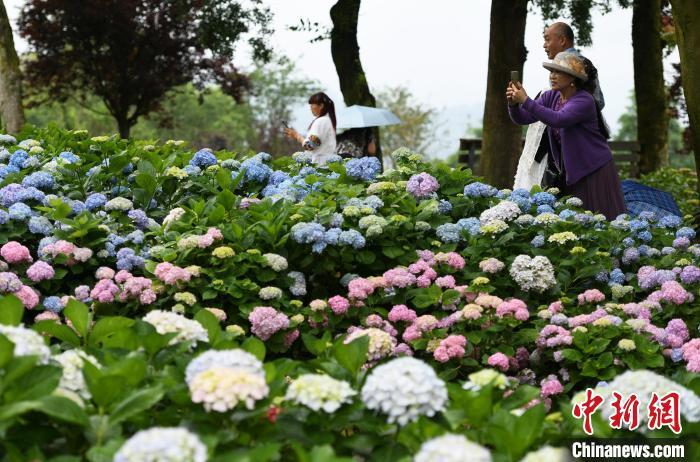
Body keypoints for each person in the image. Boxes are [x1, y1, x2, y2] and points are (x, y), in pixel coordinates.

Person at [506, 51, 625, 220]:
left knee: (601, 218)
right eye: (551, 72)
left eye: (558, 72)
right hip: (573, 171)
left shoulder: (584, 100)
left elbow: (559, 119)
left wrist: (525, 100)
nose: (552, 76)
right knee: (578, 220)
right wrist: (514, 105)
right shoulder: (551, 96)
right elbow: (524, 118)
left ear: (572, 78)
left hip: (594, 169)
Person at [284, 92, 337, 165]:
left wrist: (296, 136)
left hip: (320, 165)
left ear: (321, 105)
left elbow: (310, 145)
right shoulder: (327, 120)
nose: (310, 108)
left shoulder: (321, 121)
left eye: (312, 105)